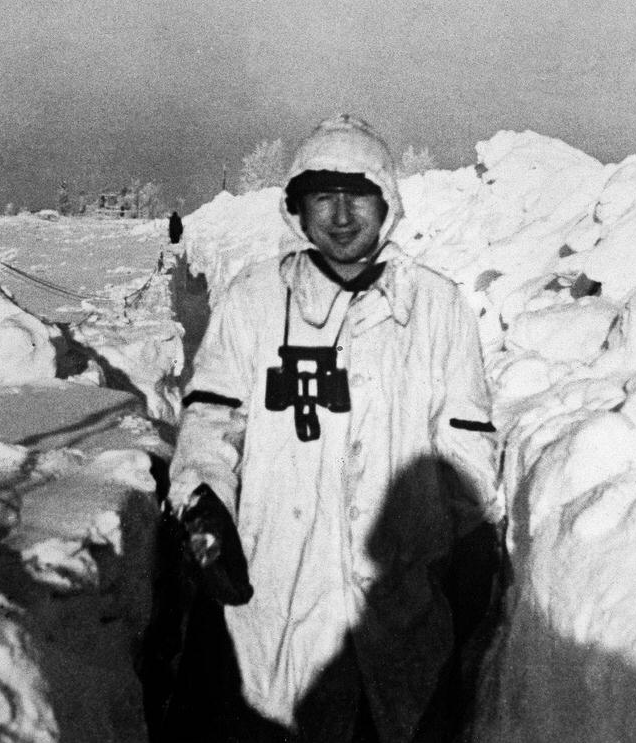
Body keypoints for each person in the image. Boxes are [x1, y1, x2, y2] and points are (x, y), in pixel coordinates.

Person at [168, 114, 503, 743]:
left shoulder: (437, 306)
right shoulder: (255, 299)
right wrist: (201, 500)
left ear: (388, 203)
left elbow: (465, 447)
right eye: (323, 197)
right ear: (297, 208)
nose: (342, 216)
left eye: (358, 196)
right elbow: (211, 422)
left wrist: (472, 552)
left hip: (402, 606)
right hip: (277, 600)